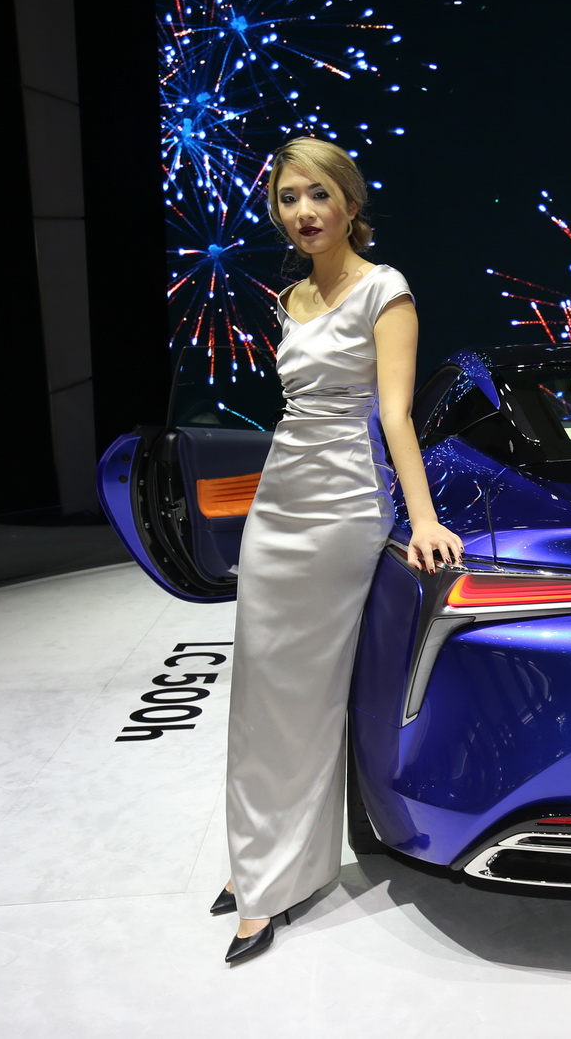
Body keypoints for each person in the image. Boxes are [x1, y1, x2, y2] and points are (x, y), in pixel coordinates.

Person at [209, 136, 463, 965]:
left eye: (319, 194)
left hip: (342, 510)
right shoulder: (289, 298)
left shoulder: (386, 290)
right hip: (277, 505)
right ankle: (260, 858)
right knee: (259, 690)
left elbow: (395, 416)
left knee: (305, 694)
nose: (304, 212)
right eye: (289, 198)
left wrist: (422, 519)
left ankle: (269, 880)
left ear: (351, 203)